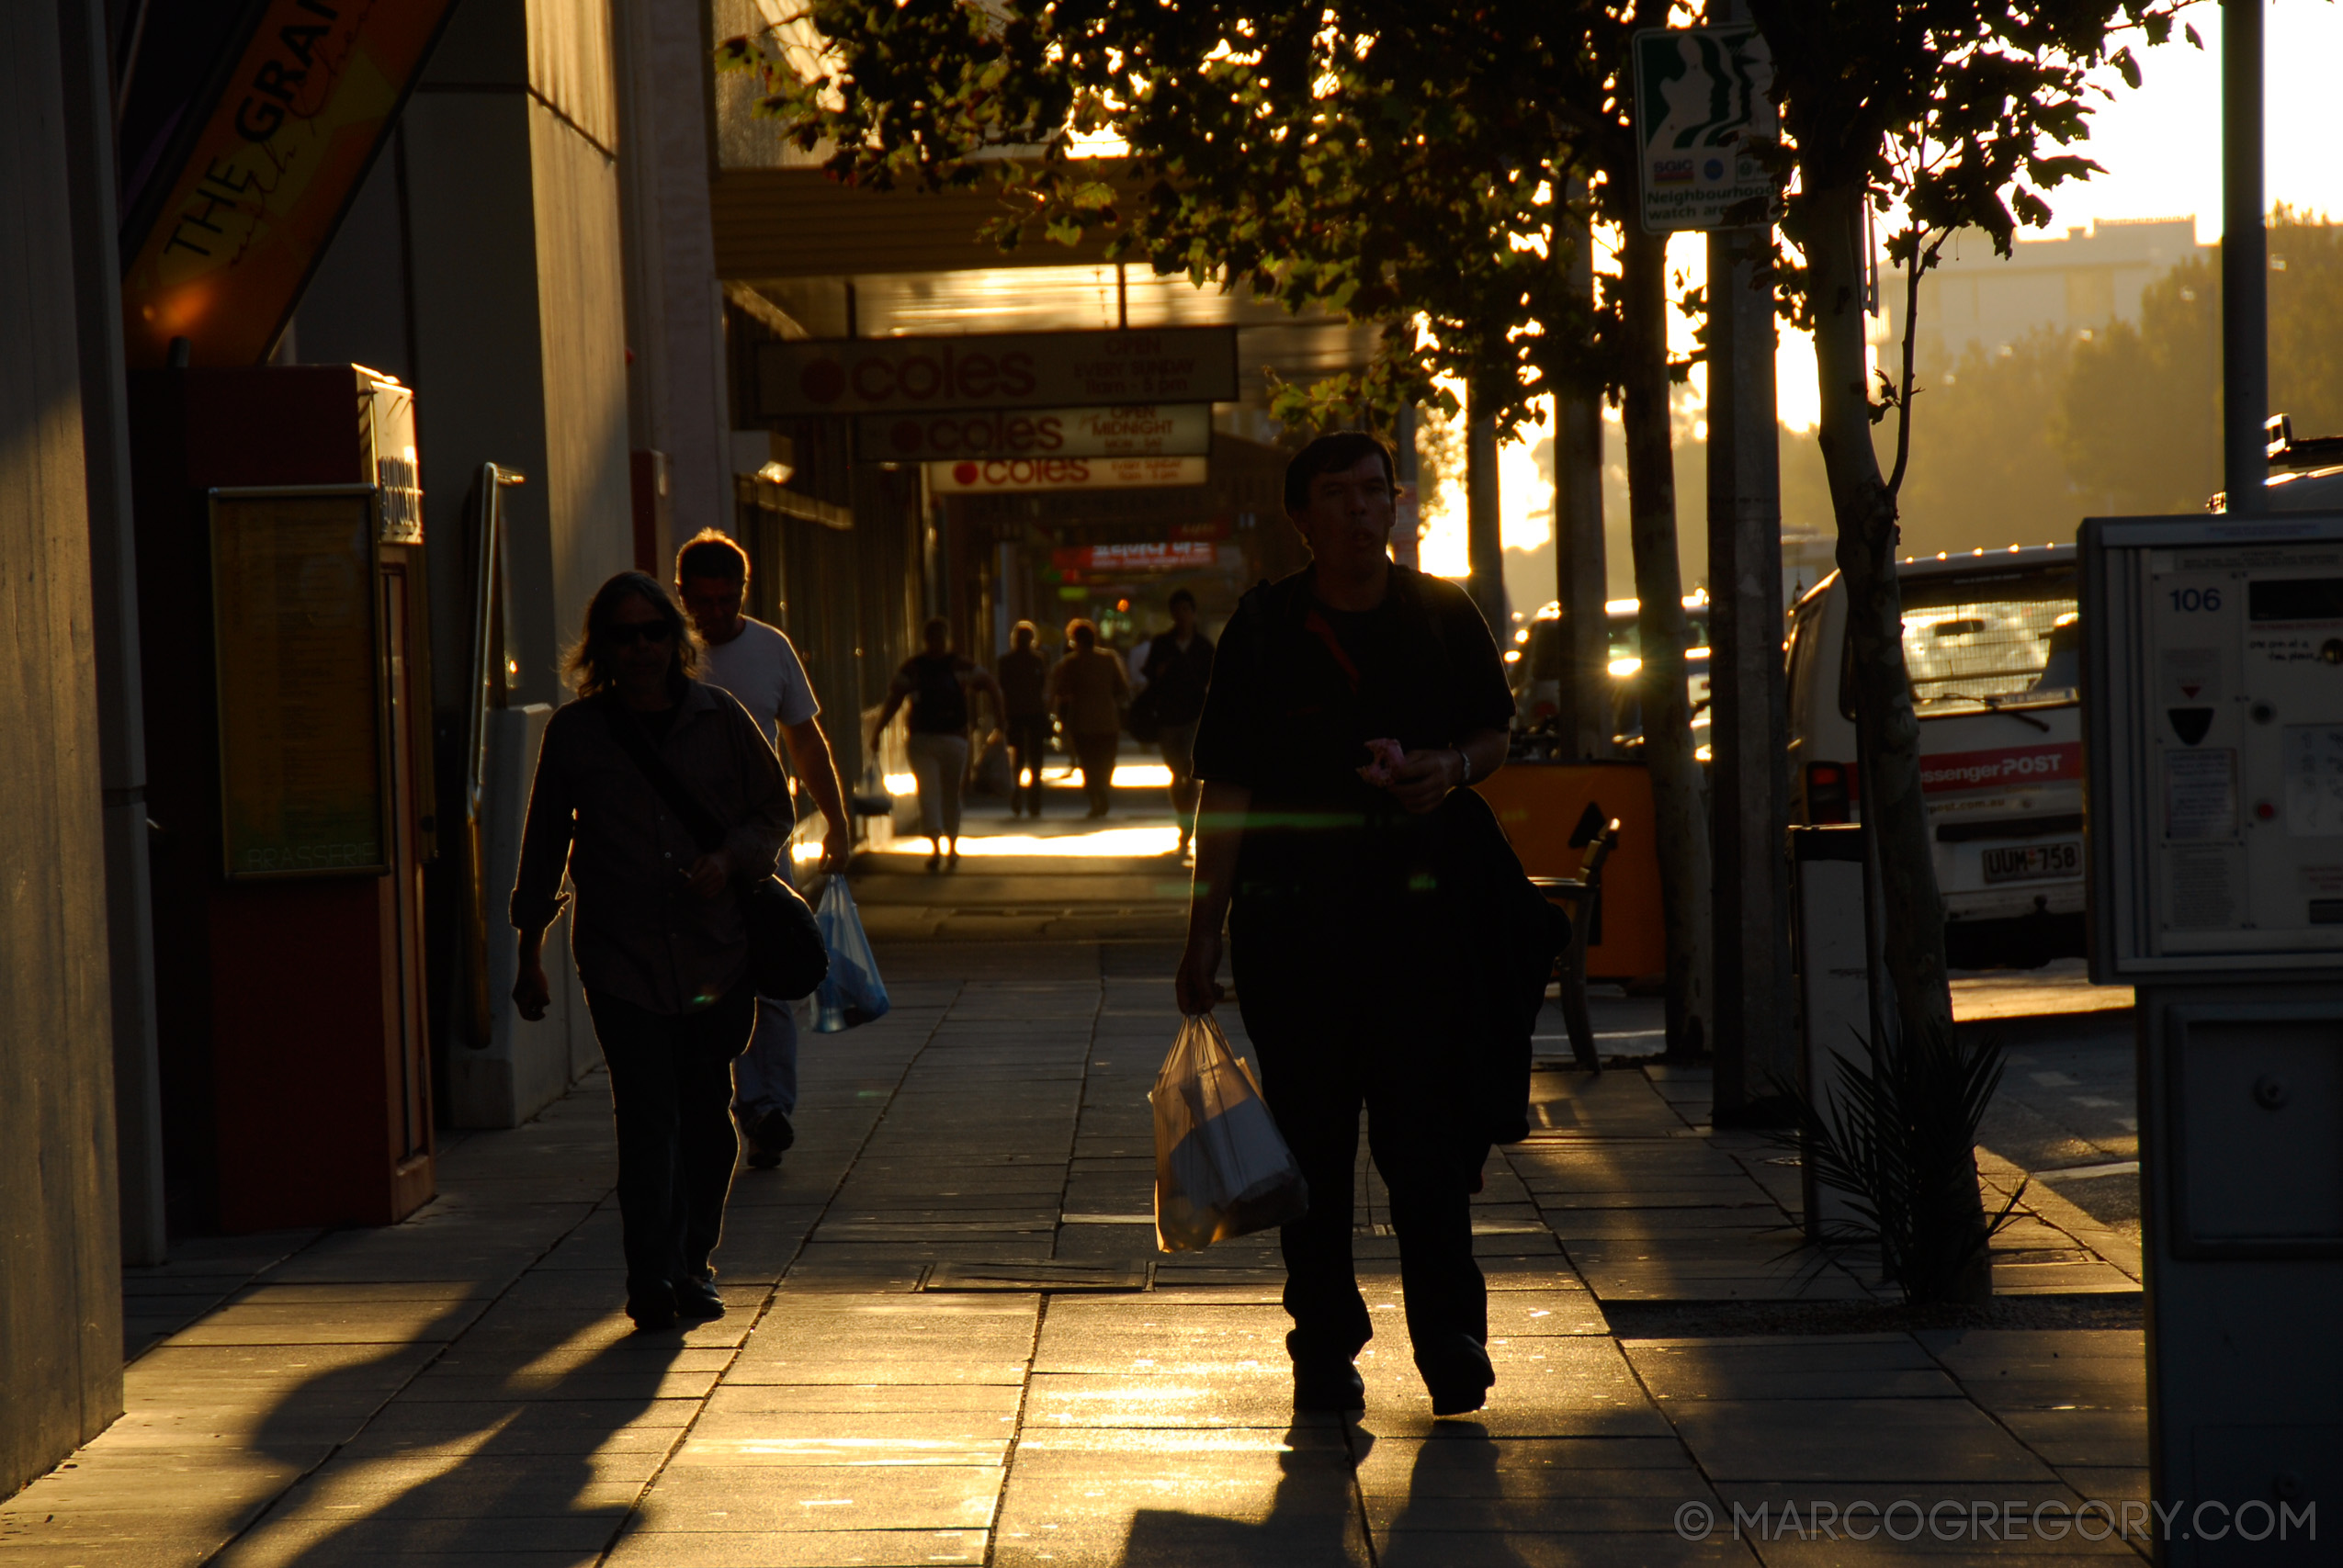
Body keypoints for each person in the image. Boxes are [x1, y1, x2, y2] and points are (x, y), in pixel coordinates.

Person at [1174, 431, 1515, 1416]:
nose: (1364, 511)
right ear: (1302, 518)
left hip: (1425, 931)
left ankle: (1450, 1335)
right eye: (1339, 495)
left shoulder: (1442, 613)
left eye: (1377, 491)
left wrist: (1448, 768)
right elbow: (1227, 788)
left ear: (1396, 503)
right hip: (1296, 937)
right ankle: (1323, 1343)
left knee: (1427, 1147)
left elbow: (1495, 728)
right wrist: (1205, 930)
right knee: (1313, 1153)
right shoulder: (1265, 628)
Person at [511, 571, 791, 1332]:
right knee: (644, 1117)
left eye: (653, 632)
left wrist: (731, 859)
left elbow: (775, 809)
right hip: (619, 957)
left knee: (703, 1113)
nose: (640, 648)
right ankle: (649, 1275)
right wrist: (528, 950)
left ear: (677, 639)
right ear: (600, 647)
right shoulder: (576, 731)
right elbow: (543, 843)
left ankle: (694, 1258)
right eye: (622, 635)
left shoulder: (720, 718)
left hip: (716, 955)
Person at [674, 529, 849, 1170]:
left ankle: (767, 1108)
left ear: (742, 593)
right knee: (700, 984)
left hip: (763, 843)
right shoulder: (663, 654)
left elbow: (806, 742)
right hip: (681, 852)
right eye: (702, 602)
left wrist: (836, 818)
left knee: (771, 977)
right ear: (682, 595)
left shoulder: (771, 648)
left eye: (724, 601)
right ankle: (709, 1105)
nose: (713, 615)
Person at [872, 618, 1002, 869]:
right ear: (946, 638)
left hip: (922, 740)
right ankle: (952, 847)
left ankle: (935, 849)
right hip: (955, 739)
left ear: (925, 639)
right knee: (951, 794)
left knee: (929, 794)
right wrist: (1000, 722)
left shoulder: (913, 667)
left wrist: (878, 731)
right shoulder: (961, 665)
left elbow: (894, 700)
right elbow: (991, 686)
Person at [1138, 588, 1217, 854]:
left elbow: (1215, 680)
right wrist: (1159, 673)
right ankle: (1182, 814)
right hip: (1168, 717)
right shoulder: (1162, 644)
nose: (1181, 615)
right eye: (1177, 610)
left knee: (1191, 771)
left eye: (1186, 610)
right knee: (1175, 772)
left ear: (1193, 613)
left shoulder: (1204, 647)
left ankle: (1187, 822)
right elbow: (1148, 673)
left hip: (1195, 716)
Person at [1050, 618, 1129, 818]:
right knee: (1107, 760)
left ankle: (1096, 795)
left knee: (1087, 762)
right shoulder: (1109, 659)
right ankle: (1102, 786)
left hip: (1082, 722)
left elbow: (1061, 689)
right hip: (1108, 720)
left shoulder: (1070, 663)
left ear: (1074, 640)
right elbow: (1122, 688)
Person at [998, 620, 1051, 818]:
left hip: (1014, 713)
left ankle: (1017, 795)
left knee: (1017, 760)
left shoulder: (1005, 661)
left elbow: (1002, 686)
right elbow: (1042, 686)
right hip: (1034, 712)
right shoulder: (1038, 660)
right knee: (1036, 761)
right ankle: (1034, 803)